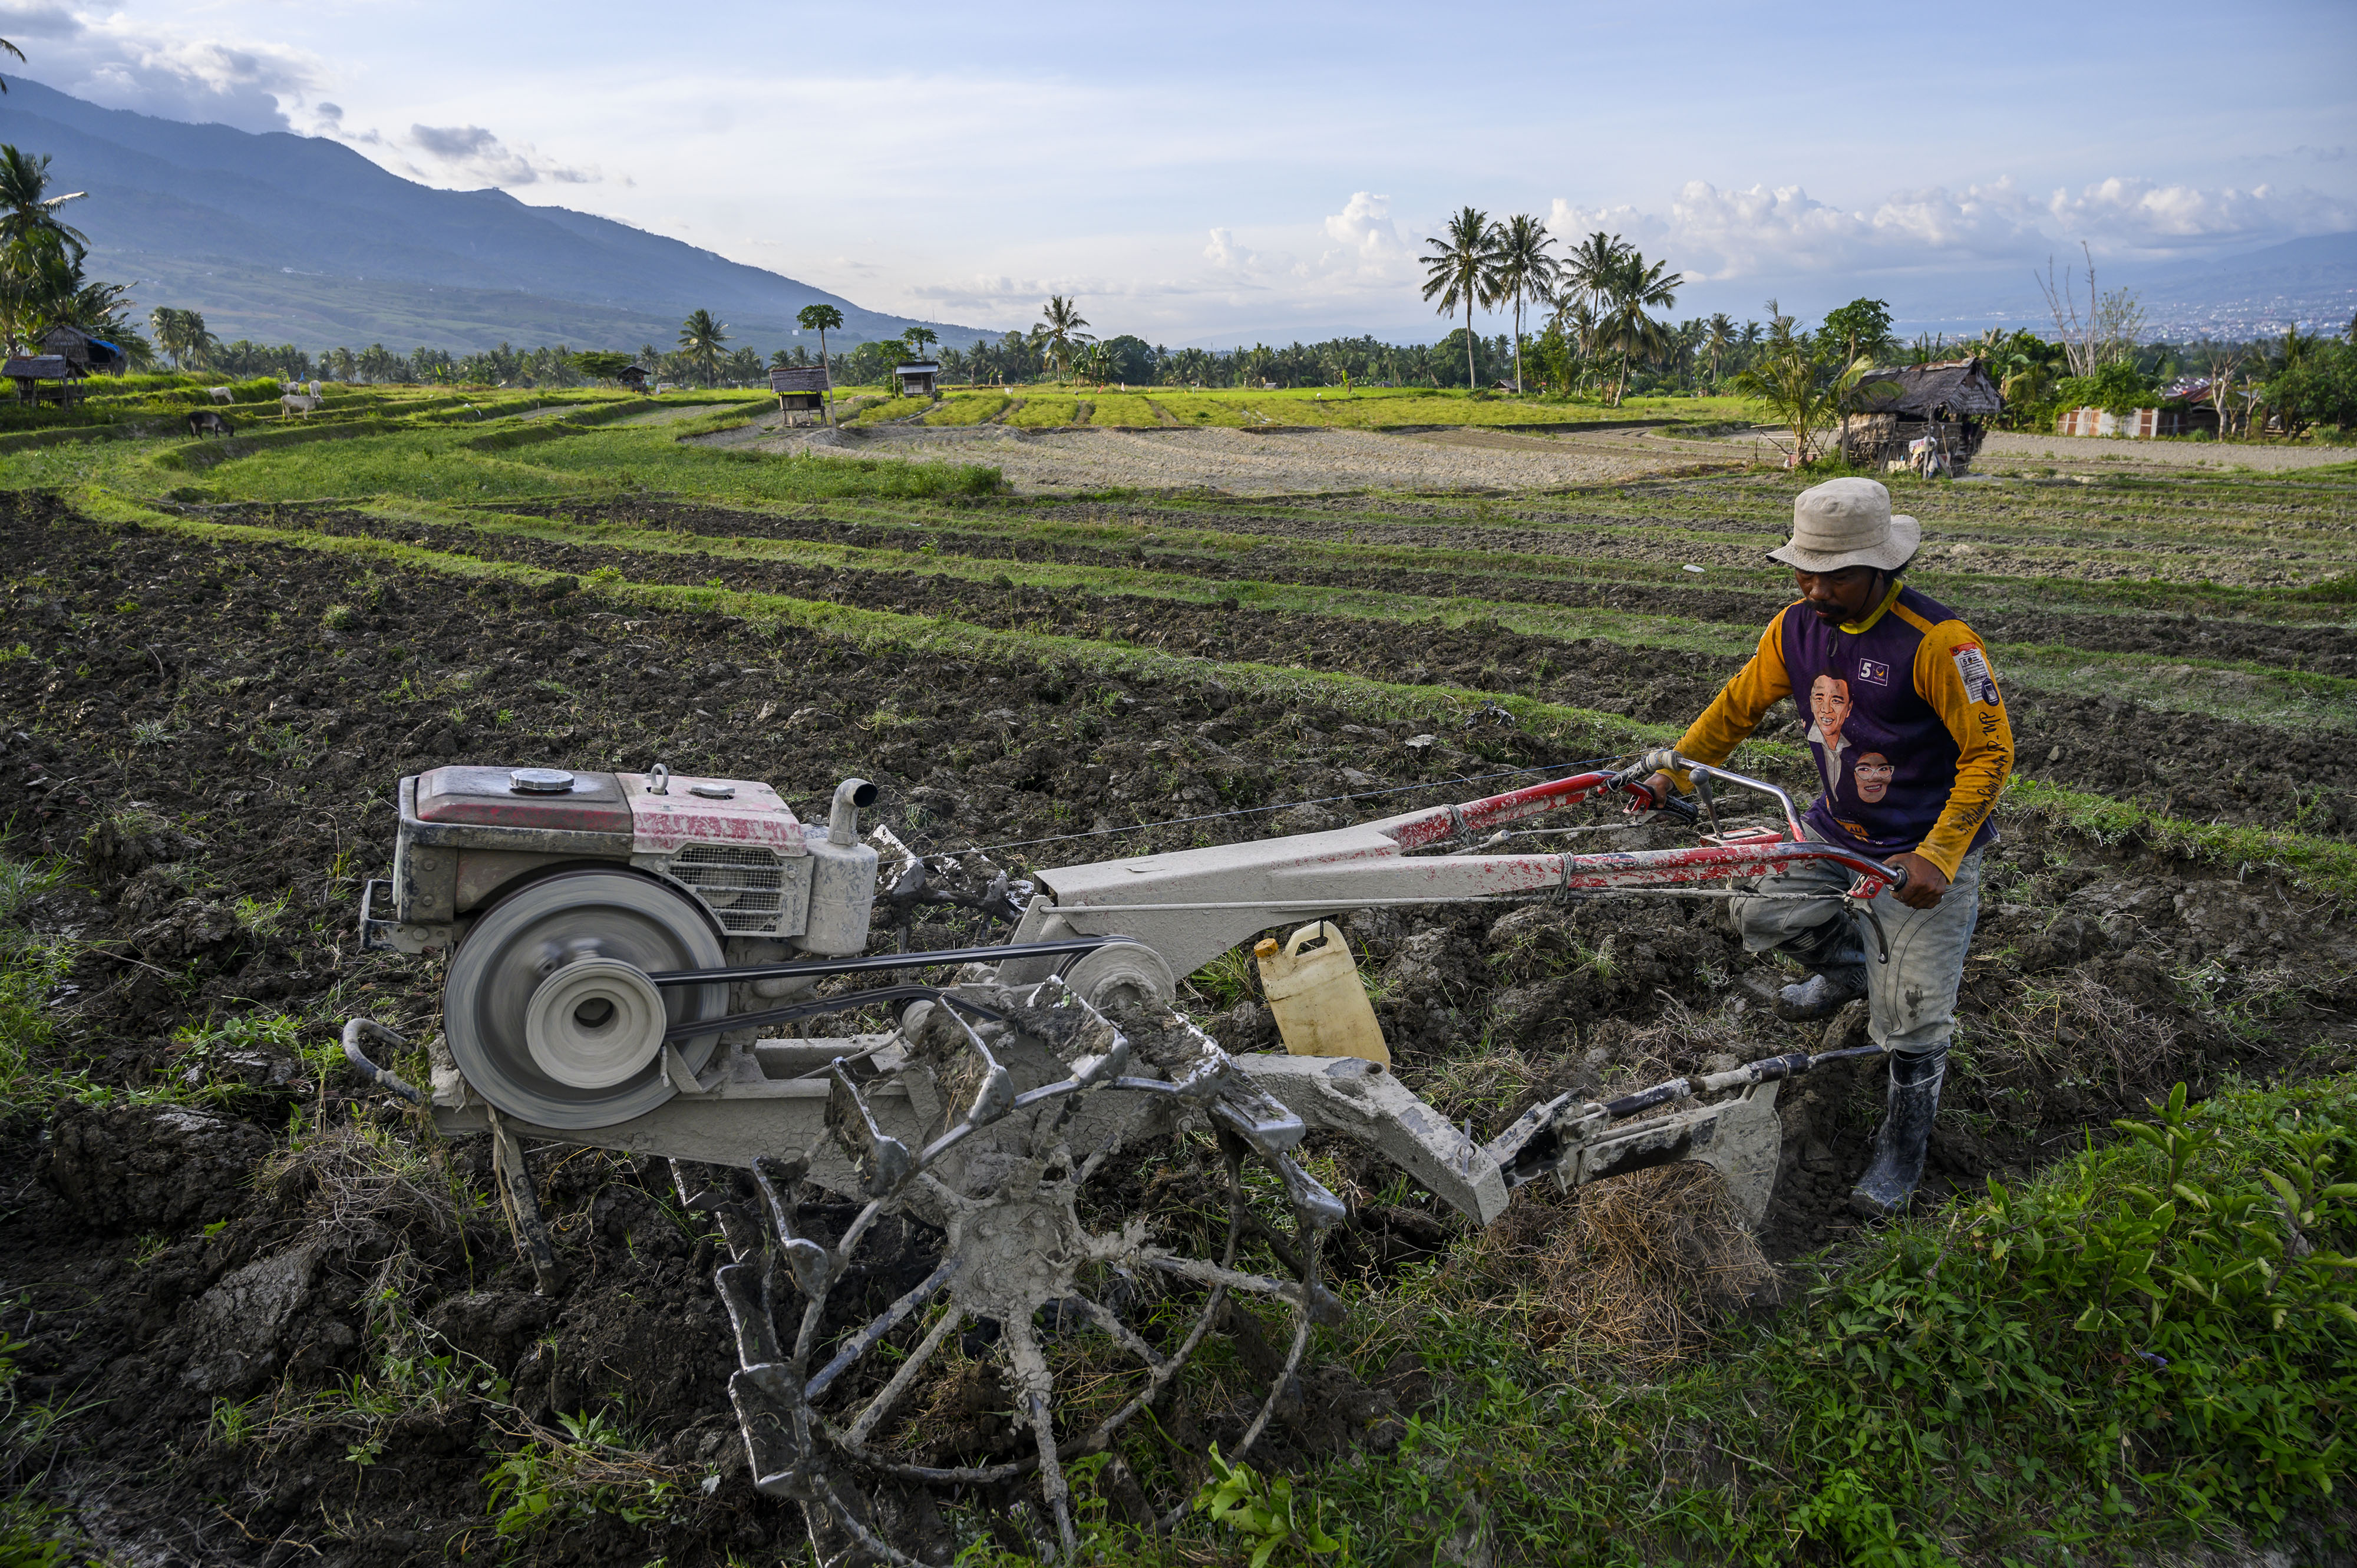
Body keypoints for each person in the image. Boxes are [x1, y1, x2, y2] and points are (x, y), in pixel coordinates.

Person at [1635, 477, 2015, 1217]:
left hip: (1921, 851)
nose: (1812, 586)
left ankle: (1901, 1153)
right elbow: (1738, 705)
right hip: (1834, 828)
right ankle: (1850, 973)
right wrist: (1672, 773)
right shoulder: (1794, 627)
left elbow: (1991, 755)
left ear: (1880, 567)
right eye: (1802, 569)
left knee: (1912, 1017)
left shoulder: (1940, 643)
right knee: (1761, 909)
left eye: (1831, 573)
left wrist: (1937, 856)